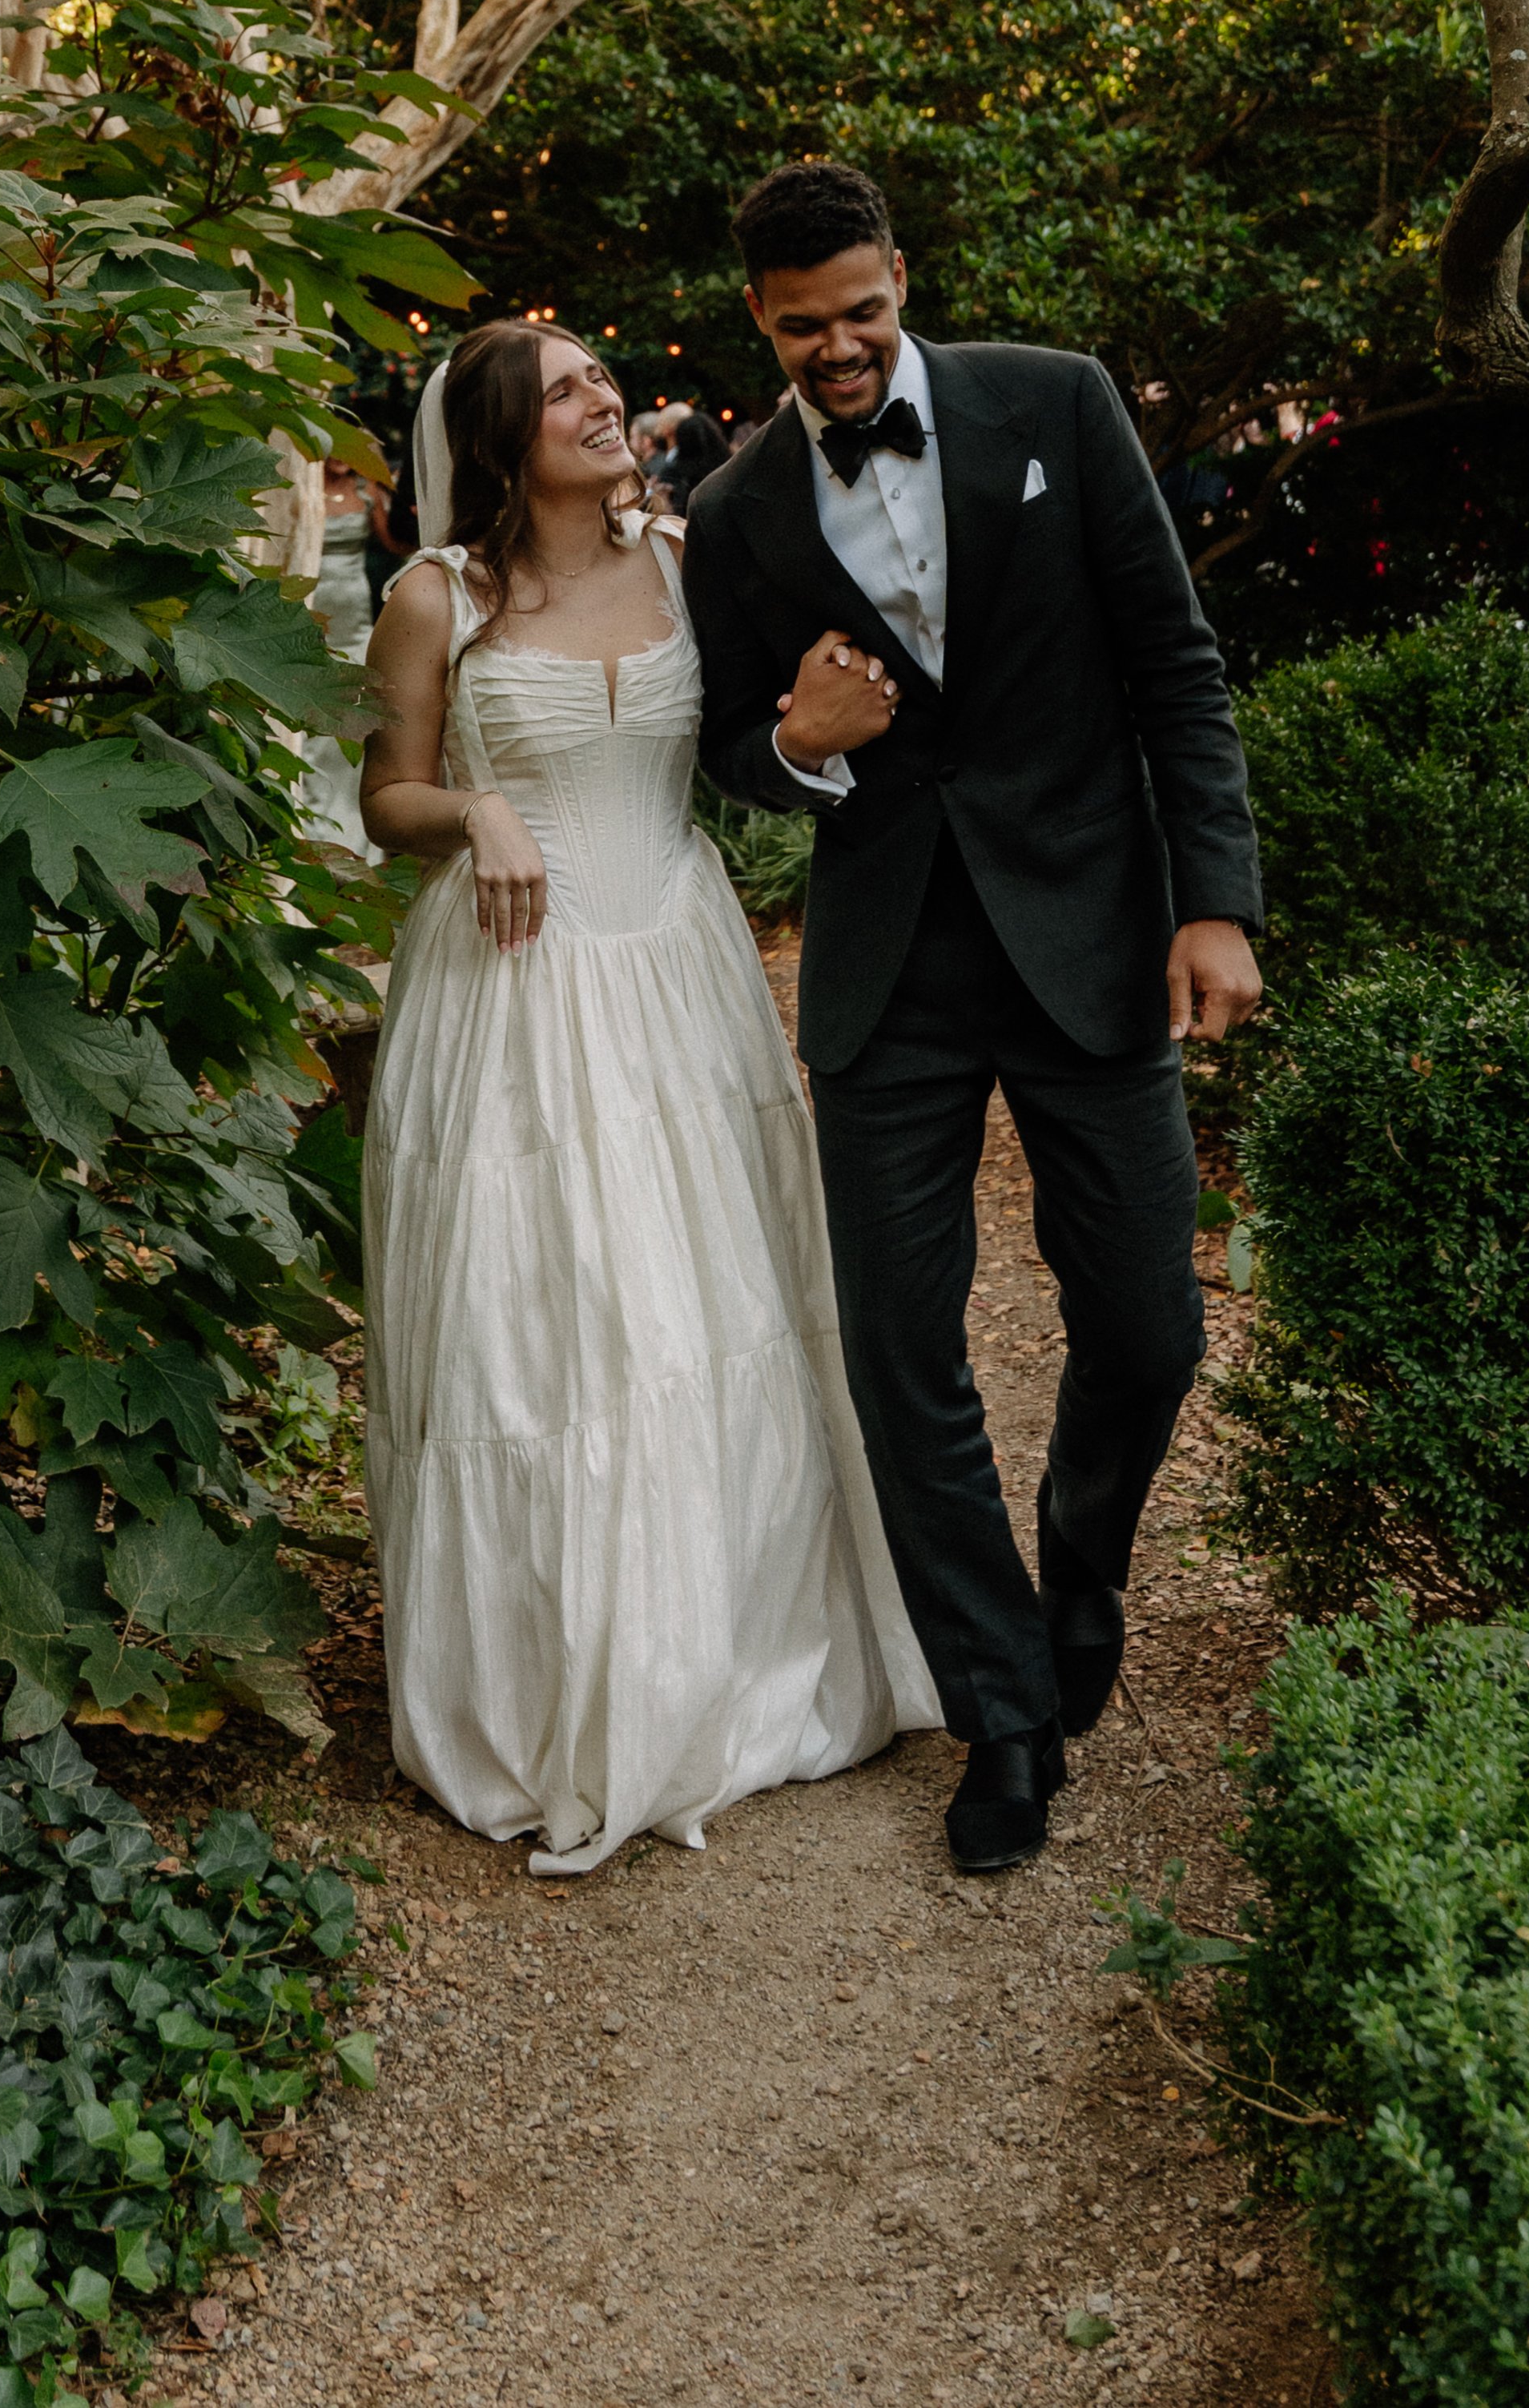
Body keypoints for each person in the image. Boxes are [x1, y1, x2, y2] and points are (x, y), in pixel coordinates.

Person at [682, 162, 1264, 1875]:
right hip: (888, 976)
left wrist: (1210, 898)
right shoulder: (732, 516)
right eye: (805, 330)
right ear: (759, 324)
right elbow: (729, 752)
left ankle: (1080, 1559)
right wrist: (798, 734)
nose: (841, 350)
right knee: (898, 1353)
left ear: (898, 280)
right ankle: (999, 1707)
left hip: (1089, 934)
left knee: (1148, 1326)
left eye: (862, 313)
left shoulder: (1054, 404)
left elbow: (1172, 660)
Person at [356, 320, 936, 1876]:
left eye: (600, 378)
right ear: (497, 438)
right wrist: (475, 809)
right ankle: (551, 1682)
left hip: (677, 966)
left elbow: (759, 734)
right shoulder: (437, 600)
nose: (602, 399)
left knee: (708, 1305)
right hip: (511, 989)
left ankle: (729, 1653)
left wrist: (811, 720)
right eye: (562, 391)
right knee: (541, 1325)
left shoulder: (692, 562)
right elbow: (381, 795)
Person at [300, 457, 385, 858]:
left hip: (354, 618)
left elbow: (398, 542)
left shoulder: (367, 492)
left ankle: (355, 837)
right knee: (316, 733)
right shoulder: (300, 487)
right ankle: (313, 824)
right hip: (313, 611)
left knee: (351, 724)